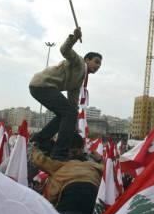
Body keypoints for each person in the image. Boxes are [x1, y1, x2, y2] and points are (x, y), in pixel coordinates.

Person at [29, 27, 102, 160]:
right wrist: (74, 38)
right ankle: (60, 152)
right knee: (69, 113)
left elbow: (73, 104)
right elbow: (64, 50)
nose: (97, 66)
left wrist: (73, 127)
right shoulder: (79, 62)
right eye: (96, 62)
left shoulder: (79, 80)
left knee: (66, 113)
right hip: (42, 85)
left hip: (42, 87)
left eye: (100, 65)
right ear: (87, 60)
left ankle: (38, 139)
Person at [30, 133, 102, 214]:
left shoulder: (58, 166)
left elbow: (40, 160)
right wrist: (100, 159)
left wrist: (34, 147)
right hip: (91, 209)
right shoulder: (94, 166)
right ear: (81, 149)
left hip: (67, 207)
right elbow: (111, 171)